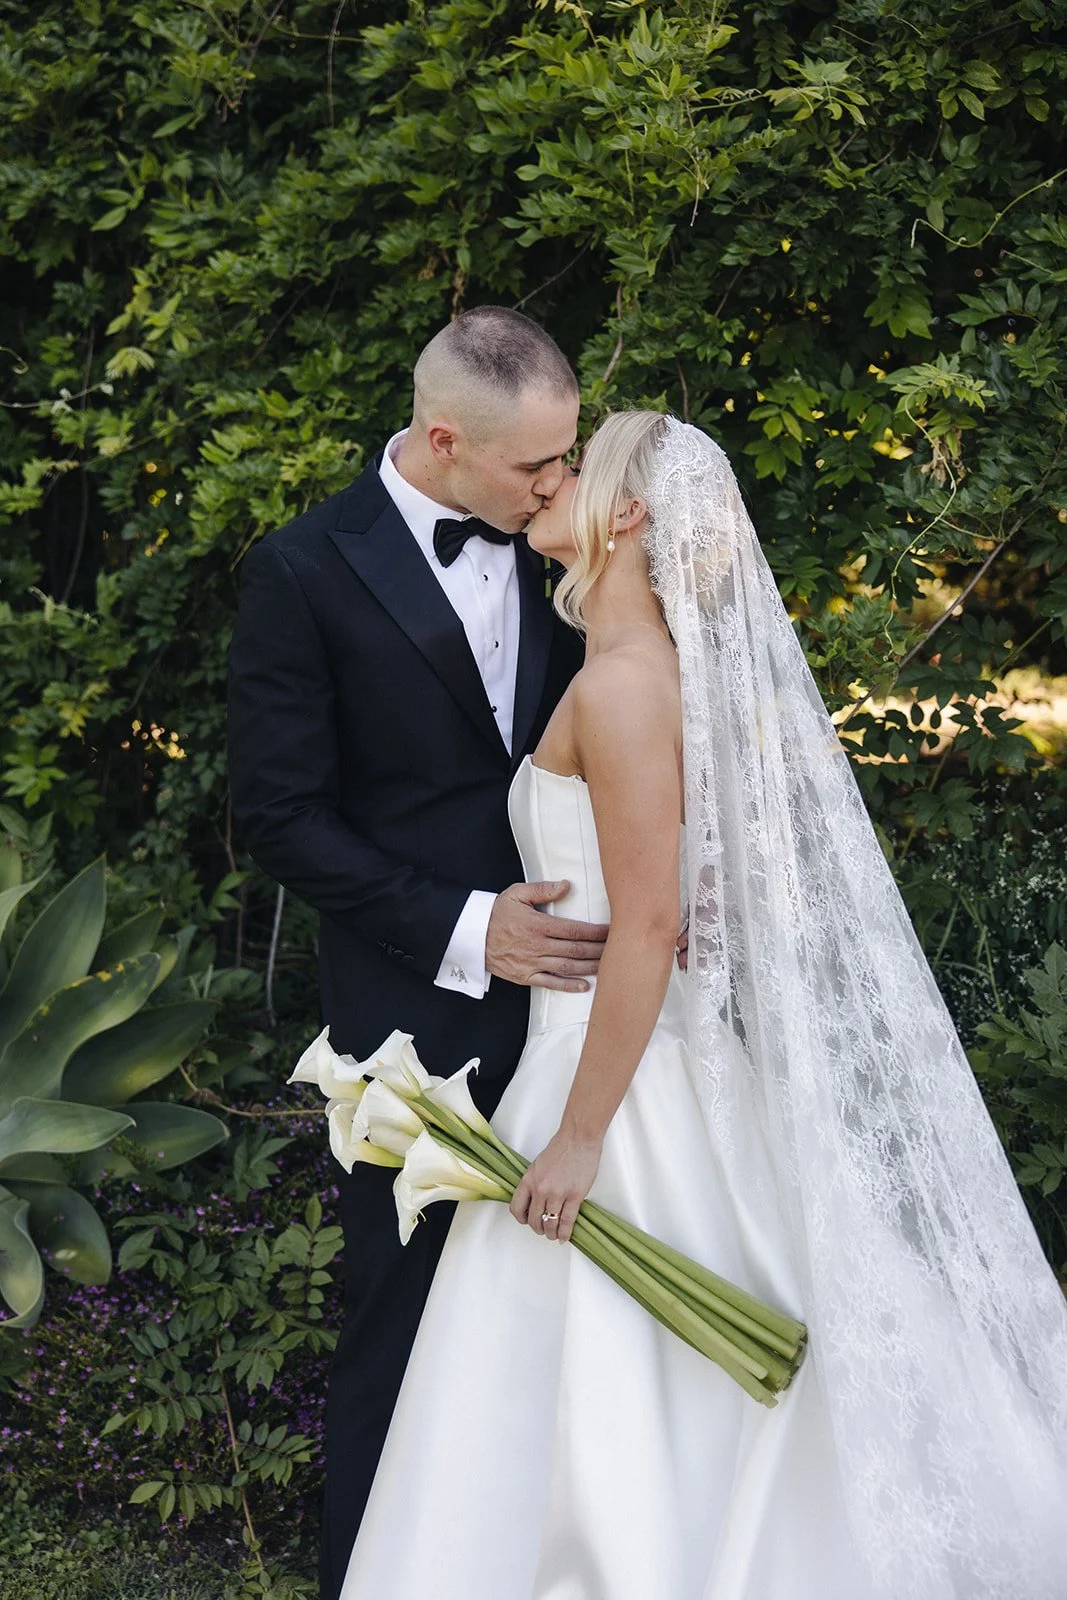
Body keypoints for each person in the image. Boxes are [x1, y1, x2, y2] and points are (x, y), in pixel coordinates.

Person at [339, 412, 1067, 1599]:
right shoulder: (636, 675)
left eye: (573, 469)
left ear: (624, 516)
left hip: (613, 1095)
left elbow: (652, 928)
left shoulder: (625, 687)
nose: (547, 483)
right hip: (621, 1055)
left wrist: (577, 1137)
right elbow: (687, 905)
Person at [226, 307, 599, 1600]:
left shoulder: (567, 548)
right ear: (443, 441)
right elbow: (277, 818)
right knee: (401, 1329)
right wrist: (463, 929)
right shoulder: (302, 572)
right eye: (533, 470)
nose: (560, 490)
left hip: (581, 1016)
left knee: (563, 1337)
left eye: (568, 460)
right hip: (410, 1027)